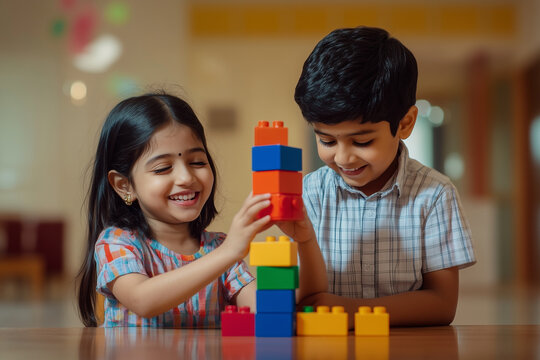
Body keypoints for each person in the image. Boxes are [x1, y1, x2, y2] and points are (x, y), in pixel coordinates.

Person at [76, 91, 327, 327]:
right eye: (163, 168)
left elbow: (272, 310)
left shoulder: (218, 249)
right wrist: (229, 252)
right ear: (124, 185)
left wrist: (306, 241)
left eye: (197, 162)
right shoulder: (117, 243)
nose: (186, 177)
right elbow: (143, 300)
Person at [294, 26, 476, 327]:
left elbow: (443, 304)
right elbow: (300, 295)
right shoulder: (309, 193)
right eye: (327, 141)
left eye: (362, 141)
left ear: (404, 124)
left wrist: (352, 312)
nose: (343, 157)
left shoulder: (435, 194)